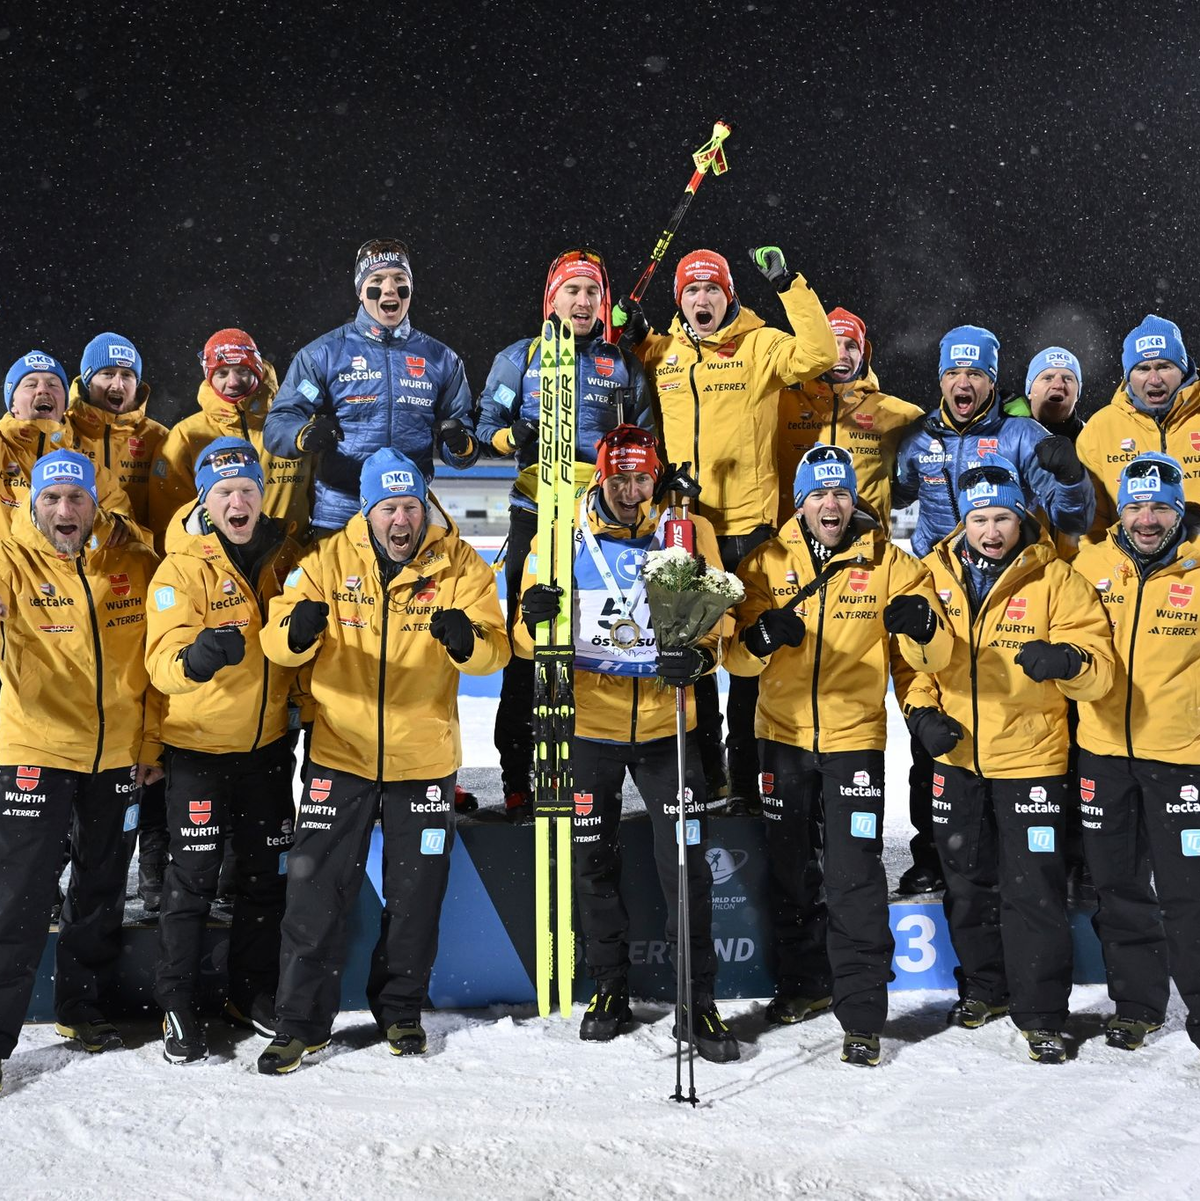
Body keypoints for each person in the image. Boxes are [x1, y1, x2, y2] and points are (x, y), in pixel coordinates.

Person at [256, 448, 508, 1073]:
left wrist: (465, 640)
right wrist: (296, 631)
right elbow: (276, 643)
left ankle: (400, 1012)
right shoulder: (323, 561)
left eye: (412, 507)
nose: (402, 520)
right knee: (314, 890)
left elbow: (495, 653)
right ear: (367, 513)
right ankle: (299, 1024)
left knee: (415, 895)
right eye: (389, 508)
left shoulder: (460, 566)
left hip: (423, 761)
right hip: (339, 755)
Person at [513, 425, 737, 1062]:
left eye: (643, 479)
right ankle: (609, 987)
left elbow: (721, 619)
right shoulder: (562, 538)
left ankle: (697, 1002)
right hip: (591, 729)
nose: (631, 492)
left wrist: (696, 659)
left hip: (670, 728)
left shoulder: (686, 534)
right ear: (602, 478)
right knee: (592, 863)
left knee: (686, 867)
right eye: (620, 479)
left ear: (657, 479)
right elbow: (527, 642)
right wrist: (533, 619)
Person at [725, 446, 951, 1067]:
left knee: (854, 876)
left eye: (841, 494)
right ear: (801, 502)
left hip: (855, 743)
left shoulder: (891, 566)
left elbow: (924, 660)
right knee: (791, 869)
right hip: (782, 737)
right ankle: (804, 985)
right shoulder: (766, 563)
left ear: (855, 500)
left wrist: (926, 636)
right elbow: (735, 660)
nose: (832, 504)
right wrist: (761, 639)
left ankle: (861, 1013)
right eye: (820, 494)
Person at [905, 455, 1113, 1063]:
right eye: (979, 519)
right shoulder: (933, 575)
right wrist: (921, 715)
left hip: (1032, 759)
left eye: (1002, 518)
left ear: (1022, 518)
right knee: (966, 883)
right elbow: (919, 668)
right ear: (962, 522)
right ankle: (987, 990)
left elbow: (1098, 671)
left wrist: (1069, 663)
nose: (990, 531)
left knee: (1033, 890)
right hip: (959, 758)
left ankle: (1043, 1013)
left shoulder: (1057, 580)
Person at [620, 247, 838, 807]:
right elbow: (620, 364)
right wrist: (629, 330)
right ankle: (705, 778)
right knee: (690, 662)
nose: (702, 300)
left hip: (748, 530)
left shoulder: (760, 345)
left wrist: (789, 283)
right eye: (691, 292)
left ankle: (747, 781)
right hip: (686, 529)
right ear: (680, 301)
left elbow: (819, 351)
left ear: (729, 294)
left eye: (711, 289)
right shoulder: (663, 353)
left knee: (748, 662)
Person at [892, 326, 1096, 895]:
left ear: (991, 380)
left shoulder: (1023, 435)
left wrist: (1073, 478)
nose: (964, 383)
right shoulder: (915, 439)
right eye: (954, 374)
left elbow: (1072, 517)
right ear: (941, 380)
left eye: (976, 374)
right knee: (930, 729)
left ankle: (1050, 853)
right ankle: (931, 853)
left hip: (1015, 592)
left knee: (1029, 719)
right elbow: (890, 493)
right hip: (944, 593)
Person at [0, 451, 160, 1091]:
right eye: (51, 499)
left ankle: (80, 1009)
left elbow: (155, 661)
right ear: (32, 503)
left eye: (75, 498)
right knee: (20, 895)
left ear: (96, 503)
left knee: (99, 886)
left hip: (118, 752)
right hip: (34, 749)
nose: (63, 511)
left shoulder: (133, 562)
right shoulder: (12, 559)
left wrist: (150, 742)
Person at [476, 248, 654, 819]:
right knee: (526, 645)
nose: (582, 302)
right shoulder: (519, 358)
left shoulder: (619, 363)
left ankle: (587, 774)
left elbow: (649, 439)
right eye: (572, 291)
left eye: (592, 293)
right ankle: (518, 776)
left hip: (601, 520)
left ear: (603, 303)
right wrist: (515, 436)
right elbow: (484, 429)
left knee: (594, 641)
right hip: (535, 512)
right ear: (551, 297)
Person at [144, 438, 302, 1064]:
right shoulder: (179, 569)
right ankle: (176, 1004)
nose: (238, 502)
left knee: (264, 881)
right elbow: (161, 666)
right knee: (193, 881)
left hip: (266, 748)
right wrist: (197, 659)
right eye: (225, 493)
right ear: (205, 501)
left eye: (248, 491)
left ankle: (249, 991)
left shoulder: (285, 556)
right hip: (198, 751)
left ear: (262, 497)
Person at [1072, 453, 1200, 1053]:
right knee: (1119, 886)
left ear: (1178, 509)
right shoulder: (1091, 563)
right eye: (1136, 506)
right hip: (1101, 751)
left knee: (1187, 891)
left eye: (1159, 507)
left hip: (1183, 757)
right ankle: (1137, 1004)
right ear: (1119, 508)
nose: (1146, 520)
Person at [263, 237, 478, 533]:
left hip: (408, 516)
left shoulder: (442, 360)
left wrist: (461, 445)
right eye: (377, 279)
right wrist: (302, 434)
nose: (390, 289)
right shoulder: (322, 355)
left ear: (410, 288)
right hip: (340, 516)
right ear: (361, 291)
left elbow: (462, 446)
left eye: (399, 279)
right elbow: (278, 425)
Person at [150, 328, 312, 542]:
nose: (233, 382)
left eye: (242, 371)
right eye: (222, 373)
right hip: (220, 567)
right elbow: (168, 523)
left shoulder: (297, 426)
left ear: (258, 369)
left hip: (294, 561)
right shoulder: (185, 436)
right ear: (209, 377)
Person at [776, 307, 922, 533]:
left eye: (851, 346)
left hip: (868, 548)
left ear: (863, 354)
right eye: (833, 344)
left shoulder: (899, 415)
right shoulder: (779, 404)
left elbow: (950, 441)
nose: (842, 354)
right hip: (793, 548)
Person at [1077, 315, 1200, 532]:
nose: (1154, 379)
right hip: (1129, 565)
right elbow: (1091, 527)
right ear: (1128, 375)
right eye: (1143, 368)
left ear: (1183, 369)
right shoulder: (1099, 429)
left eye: (1164, 366)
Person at [2, 351, 141, 539]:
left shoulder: (85, 467)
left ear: (65, 403)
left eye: (52, 384)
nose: (43, 390)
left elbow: (117, 505)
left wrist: (119, 521)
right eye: (30, 385)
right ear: (13, 404)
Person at [67, 332, 169, 529]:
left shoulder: (159, 438)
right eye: (108, 374)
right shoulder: (62, 431)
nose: (118, 384)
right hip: (72, 556)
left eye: (127, 375)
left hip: (139, 555)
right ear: (89, 381)